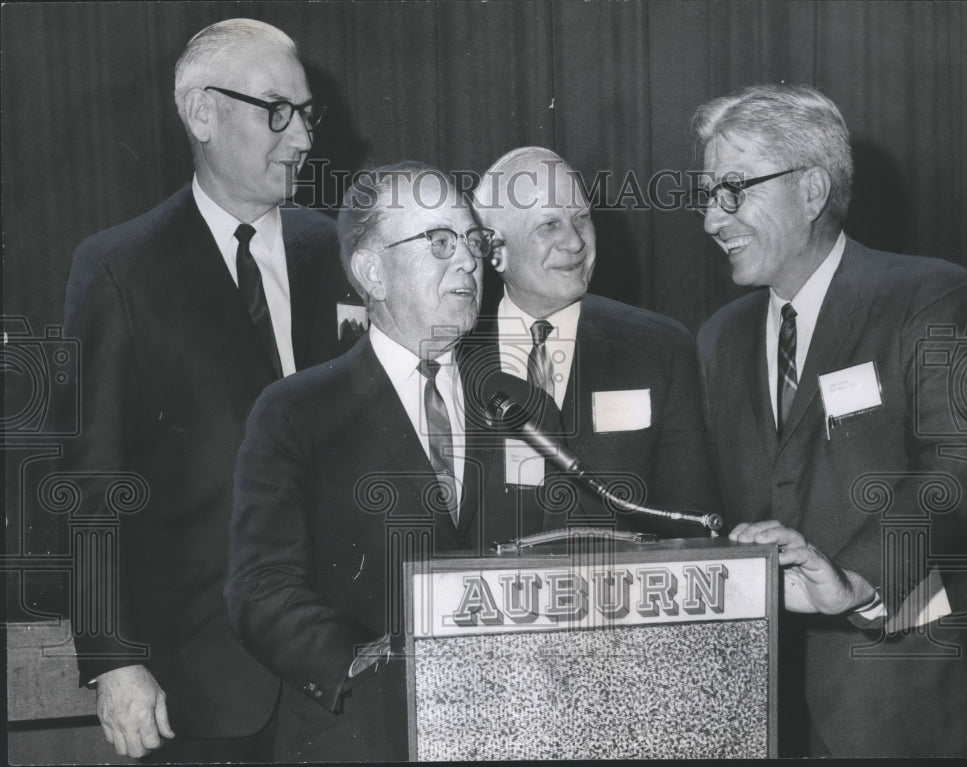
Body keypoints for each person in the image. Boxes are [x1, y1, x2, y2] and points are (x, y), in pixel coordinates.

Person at [61, 18, 358, 762]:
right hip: (199, 685)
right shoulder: (118, 269)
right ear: (201, 112)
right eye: (276, 111)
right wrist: (113, 659)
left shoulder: (344, 253)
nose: (301, 138)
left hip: (348, 670)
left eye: (307, 113)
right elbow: (90, 482)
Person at [693, 83, 967, 757]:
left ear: (809, 190)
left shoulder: (926, 295)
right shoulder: (716, 338)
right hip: (759, 715)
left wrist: (857, 578)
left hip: (904, 708)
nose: (713, 219)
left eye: (733, 189)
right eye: (707, 194)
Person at [225, 162, 512, 761]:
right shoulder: (296, 411)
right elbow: (261, 588)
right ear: (371, 272)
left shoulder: (516, 402)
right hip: (362, 736)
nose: (467, 261)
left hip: (504, 729)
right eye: (439, 242)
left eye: (473, 241)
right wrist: (371, 666)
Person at [468, 147, 719, 540]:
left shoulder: (660, 348)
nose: (575, 242)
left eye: (581, 218)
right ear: (495, 251)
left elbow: (693, 521)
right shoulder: (454, 353)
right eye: (549, 225)